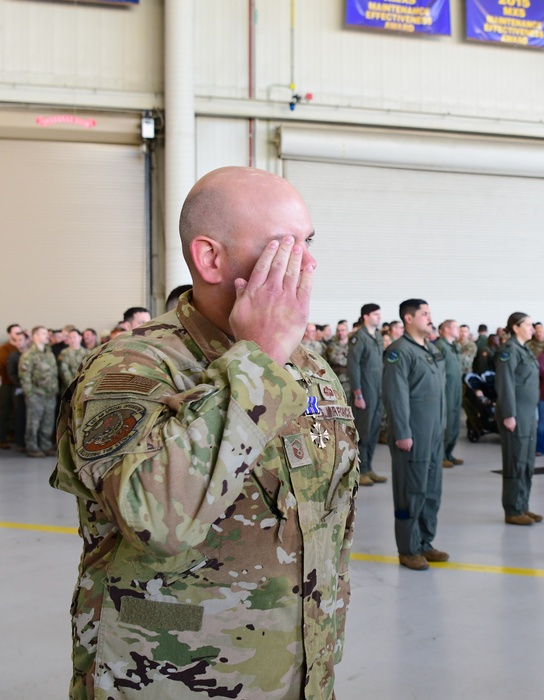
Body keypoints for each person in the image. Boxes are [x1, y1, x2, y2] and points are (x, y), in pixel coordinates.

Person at [50, 166, 359, 699]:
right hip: (173, 675)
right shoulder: (131, 369)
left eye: (309, 243)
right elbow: (156, 520)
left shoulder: (309, 366)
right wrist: (258, 359)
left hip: (298, 672)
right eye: (284, 247)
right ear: (210, 258)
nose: (308, 264)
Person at [382, 299, 449, 570]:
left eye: (430, 313)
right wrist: (402, 432)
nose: (429, 318)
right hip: (412, 435)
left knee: (431, 489)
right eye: (424, 314)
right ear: (408, 319)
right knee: (411, 490)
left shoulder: (431, 350)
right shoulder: (399, 352)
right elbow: (395, 395)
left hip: (434, 434)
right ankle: (408, 548)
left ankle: (424, 542)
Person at [495, 312, 541, 526]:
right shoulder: (509, 351)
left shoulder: (525, 350)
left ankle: (523, 505)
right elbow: (505, 384)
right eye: (528, 325)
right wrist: (508, 414)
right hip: (515, 415)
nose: (532, 328)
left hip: (528, 414)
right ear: (515, 327)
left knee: (527, 463)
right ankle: (512, 510)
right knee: (515, 462)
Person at [348, 304, 388, 487]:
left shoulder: (377, 337)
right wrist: (358, 393)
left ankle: (369, 467)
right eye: (375, 314)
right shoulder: (359, 338)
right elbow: (354, 366)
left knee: (373, 431)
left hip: (378, 390)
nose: (379, 317)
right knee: (362, 431)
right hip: (365, 391)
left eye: (380, 314)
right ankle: (360, 471)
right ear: (366, 316)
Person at [18, 326, 59, 457]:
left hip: (50, 394)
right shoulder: (29, 355)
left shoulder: (49, 353)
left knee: (48, 422)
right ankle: (32, 446)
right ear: (35, 336)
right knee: (33, 422)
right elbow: (25, 377)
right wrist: (29, 394)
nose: (46, 335)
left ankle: (45, 445)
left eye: (47, 333)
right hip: (36, 394)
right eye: (43, 333)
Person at [435, 319, 464, 468]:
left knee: (454, 422)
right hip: (446, 389)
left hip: (456, 387)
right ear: (446, 329)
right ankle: (440, 455)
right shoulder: (440, 346)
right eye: (455, 327)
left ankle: (449, 453)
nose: (458, 329)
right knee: (446, 422)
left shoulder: (454, 346)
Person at [0, 324, 23, 448]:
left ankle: (14, 435)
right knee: (5, 411)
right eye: (15, 332)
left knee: (17, 412)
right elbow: (4, 363)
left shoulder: (23, 348)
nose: (18, 334)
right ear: (10, 334)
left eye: (19, 332)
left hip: (18, 386)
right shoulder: (5, 348)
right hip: (7, 385)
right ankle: (2, 438)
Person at [57, 327, 89, 395]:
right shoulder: (64, 353)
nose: (72, 340)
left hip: (84, 388)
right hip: (69, 390)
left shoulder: (87, 353)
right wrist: (73, 386)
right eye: (70, 337)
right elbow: (64, 371)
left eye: (74, 337)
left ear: (80, 338)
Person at [325, 319, 352, 395]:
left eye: (343, 330)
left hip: (352, 379)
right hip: (339, 380)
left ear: (347, 331)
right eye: (338, 330)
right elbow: (335, 360)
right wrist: (349, 360)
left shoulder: (353, 345)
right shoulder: (332, 345)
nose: (340, 333)